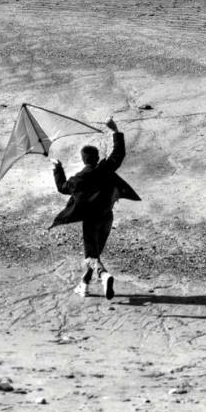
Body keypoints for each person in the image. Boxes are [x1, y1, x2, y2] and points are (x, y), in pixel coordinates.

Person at [50, 118, 139, 299]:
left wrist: (57, 168)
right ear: (97, 158)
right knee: (95, 254)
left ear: (83, 160)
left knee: (91, 257)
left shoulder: (77, 180)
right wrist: (115, 130)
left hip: (91, 220)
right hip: (107, 216)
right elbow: (118, 153)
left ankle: (104, 276)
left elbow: (62, 187)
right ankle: (84, 284)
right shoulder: (105, 169)